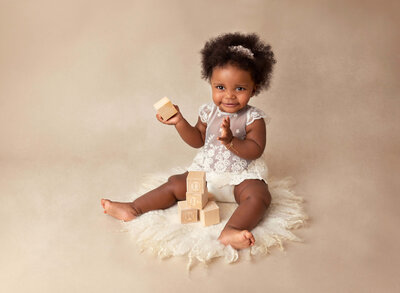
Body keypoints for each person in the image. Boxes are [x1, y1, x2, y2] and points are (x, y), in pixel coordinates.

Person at [101, 32, 277, 249]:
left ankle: (231, 230)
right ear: (211, 84)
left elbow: (255, 149)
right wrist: (179, 122)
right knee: (175, 183)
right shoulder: (208, 112)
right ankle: (134, 208)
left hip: (240, 178)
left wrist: (231, 141)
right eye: (220, 87)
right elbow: (197, 140)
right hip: (207, 175)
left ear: (254, 88)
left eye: (239, 88)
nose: (229, 96)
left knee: (259, 197)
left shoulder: (253, 118)